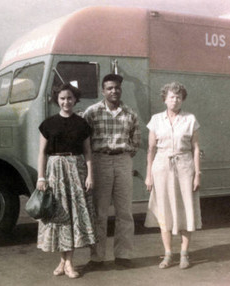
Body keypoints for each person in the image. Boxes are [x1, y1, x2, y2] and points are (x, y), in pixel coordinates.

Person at [36, 83, 96, 278]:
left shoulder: (82, 123)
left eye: (69, 98)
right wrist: (41, 176)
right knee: (60, 215)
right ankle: (63, 261)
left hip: (76, 170)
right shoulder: (48, 124)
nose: (66, 102)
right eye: (62, 98)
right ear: (57, 100)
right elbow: (42, 153)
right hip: (55, 171)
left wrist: (90, 174)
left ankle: (69, 263)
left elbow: (87, 152)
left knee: (74, 215)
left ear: (75, 99)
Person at [83, 74, 141, 270]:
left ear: (120, 90)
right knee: (100, 212)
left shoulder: (130, 113)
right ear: (103, 91)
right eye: (109, 88)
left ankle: (123, 255)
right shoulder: (91, 113)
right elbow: (84, 141)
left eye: (116, 88)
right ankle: (97, 257)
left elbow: (136, 139)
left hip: (123, 161)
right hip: (101, 161)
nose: (113, 91)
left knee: (124, 211)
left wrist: (124, 153)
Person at [144, 82, 202, 269]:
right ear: (165, 99)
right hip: (161, 168)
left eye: (178, 97)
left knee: (186, 209)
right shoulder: (155, 120)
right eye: (171, 97)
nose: (175, 100)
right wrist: (148, 175)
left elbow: (195, 148)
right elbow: (151, 149)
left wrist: (197, 174)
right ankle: (168, 254)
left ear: (182, 99)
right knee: (164, 211)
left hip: (185, 167)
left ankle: (184, 253)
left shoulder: (190, 119)